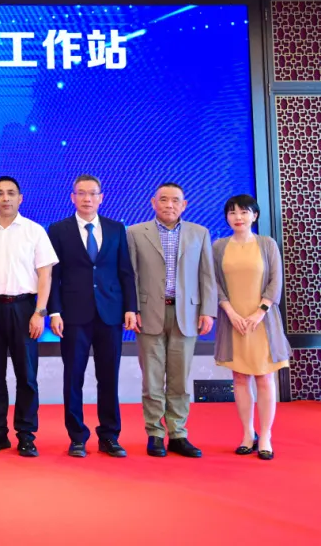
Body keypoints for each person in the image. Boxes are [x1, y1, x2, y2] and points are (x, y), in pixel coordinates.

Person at [0, 176, 58, 458]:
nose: (5, 198)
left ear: (20, 198)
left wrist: (39, 312)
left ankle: (26, 436)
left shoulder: (34, 231)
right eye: (0, 193)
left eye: (11, 193)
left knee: (26, 376)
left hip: (24, 308)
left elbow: (45, 274)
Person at [47, 175, 137, 458]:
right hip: (73, 315)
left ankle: (109, 436)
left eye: (92, 193)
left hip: (110, 313)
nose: (87, 198)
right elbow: (53, 276)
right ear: (72, 197)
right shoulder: (58, 230)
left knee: (109, 377)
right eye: (81, 193)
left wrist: (130, 308)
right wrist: (54, 311)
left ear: (101, 197)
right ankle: (77, 437)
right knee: (73, 377)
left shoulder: (116, 228)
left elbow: (125, 272)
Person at [127, 182, 217, 458]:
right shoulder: (135, 233)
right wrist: (131, 309)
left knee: (179, 379)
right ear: (153, 202)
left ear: (184, 204)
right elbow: (131, 275)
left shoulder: (199, 233)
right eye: (163, 199)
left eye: (175, 200)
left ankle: (178, 434)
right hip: (148, 314)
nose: (169, 205)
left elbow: (207, 275)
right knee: (152, 380)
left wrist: (208, 310)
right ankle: (155, 433)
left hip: (187, 314)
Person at [212, 195, 290, 461]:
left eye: (244, 212)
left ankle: (265, 436)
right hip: (232, 320)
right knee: (239, 378)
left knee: (264, 378)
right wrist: (231, 313)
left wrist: (259, 313)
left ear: (254, 216)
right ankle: (248, 434)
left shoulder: (267, 244)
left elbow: (275, 282)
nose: (238, 217)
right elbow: (215, 284)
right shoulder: (218, 247)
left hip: (262, 321)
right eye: (232, 212)